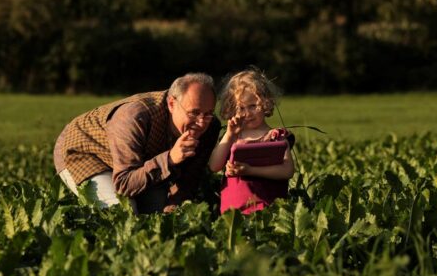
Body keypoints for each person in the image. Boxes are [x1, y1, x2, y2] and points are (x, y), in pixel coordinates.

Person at [53, 73, 220, 214]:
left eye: (208, 113)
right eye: (194, 113)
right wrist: (170, 159)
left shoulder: (210, 126)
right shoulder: (134, 116)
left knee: (157, 211)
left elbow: (189, 183)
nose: (201, 123)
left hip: (136, 164)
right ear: (171, 104)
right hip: (85, 151)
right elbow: (124, 184)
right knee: (123, 211)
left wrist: (171, 212)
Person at [207, 69, 295, 214]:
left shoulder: (275, 137)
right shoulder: (233, 136)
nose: (247, 113)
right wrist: (229, 134)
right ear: (232, 109)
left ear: (266, 103)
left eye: (253, 106)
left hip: (268, 209)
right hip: (234, 212)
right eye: (241, 108)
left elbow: (287, 170)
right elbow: (214, 166)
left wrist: (250, 170)